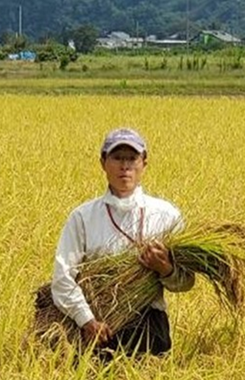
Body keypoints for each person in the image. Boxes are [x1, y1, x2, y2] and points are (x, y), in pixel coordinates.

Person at [50, 127, 194, 357]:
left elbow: (186, 282)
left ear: (144, 163)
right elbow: (62, 276)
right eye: (117, 158)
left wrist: (165, 269)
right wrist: (86, 320)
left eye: (132, 158)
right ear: (103, 163)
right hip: (98, 328)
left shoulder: (166, 215)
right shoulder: (83, 217)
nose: (124, 166)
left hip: (149, 325)